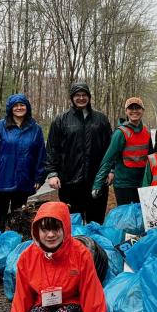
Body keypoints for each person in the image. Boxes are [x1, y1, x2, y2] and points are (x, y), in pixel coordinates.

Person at [10, 201, 106, 312]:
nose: (50, 235)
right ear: (36, 230)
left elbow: (93, 302)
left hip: (72, 311)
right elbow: (20, 304)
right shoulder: (27, 258)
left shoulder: (81, 254)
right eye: (45, 229)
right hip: (45, 306)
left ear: (65, 228)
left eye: (56, 228)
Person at [44, 82, 112, 224]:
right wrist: (52, 173)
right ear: (72, 98)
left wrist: (111, 170)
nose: (81, 98)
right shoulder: (61, 120)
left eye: (84, 95)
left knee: (96, 222)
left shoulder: (101, 119)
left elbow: (110, 148)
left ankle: (94, 239)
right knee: (73, 223)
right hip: (69, 182)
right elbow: (52, 148)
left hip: (97, 180)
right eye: (77, 95)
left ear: (89, 97)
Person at [0, 93, 46, 231]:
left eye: (22, 105)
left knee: (19, 216)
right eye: (15, 105)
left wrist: (39, 177)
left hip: (24, 179)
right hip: (2, 179)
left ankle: (16, 240)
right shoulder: (0, 127)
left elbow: (41, 155)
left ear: (27, 107)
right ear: (10, 108)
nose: (19, 108)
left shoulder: (35, 129)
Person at [92, 97, 151, 205]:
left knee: (142, 214)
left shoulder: (146, 131)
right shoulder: (120, 133)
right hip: (124, 185)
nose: (134, 111)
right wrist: (98, 184)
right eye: (131, 108)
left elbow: (151, 157)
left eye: (137, 108)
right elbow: (108, 159)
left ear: (143, 110)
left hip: (142, 183)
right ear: (126, 111)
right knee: (126, 214)